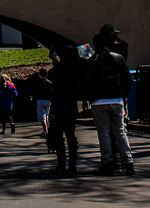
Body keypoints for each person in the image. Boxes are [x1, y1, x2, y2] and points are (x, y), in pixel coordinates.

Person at [88, 33, 135, 176]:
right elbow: (127, 78)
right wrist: (123, 95)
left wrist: (90, 97)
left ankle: (107, 162)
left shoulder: (92, 61)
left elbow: (88, 82)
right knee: (120, 131)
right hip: (116, 99)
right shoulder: (118, 58)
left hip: (99, 100)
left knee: (104, 133)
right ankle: (128, 161)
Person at [48, 45, 82, 176]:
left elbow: (56, 91)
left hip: (60, 106)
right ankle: (72, 165)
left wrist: (52, 111)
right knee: (71, 136)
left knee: (59, 137)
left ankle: (61, 164)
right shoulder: (76, 69)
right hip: (71, 105)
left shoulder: (58, 71)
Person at [31, 67, 53, 137]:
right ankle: (47, 130)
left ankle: (45, 131)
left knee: (42, 117)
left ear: (39, 74)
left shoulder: (37, 83)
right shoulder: (49, 83)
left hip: (40, 100)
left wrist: (33, 97)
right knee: (46, 116)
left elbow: (34, 92)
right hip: (48, 100)